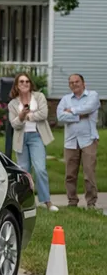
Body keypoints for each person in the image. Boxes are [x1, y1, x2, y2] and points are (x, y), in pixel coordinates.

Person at [8, 73, 57, 212]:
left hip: (37, 136)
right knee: (24, 171)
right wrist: (21, 116)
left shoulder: (39, 97)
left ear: (30, 84)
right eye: (21, 81)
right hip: (21, 138)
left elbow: (43, 114)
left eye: (27, 81)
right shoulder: (13, 104)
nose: (24, 84)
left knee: (40, 169)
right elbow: (15, 125)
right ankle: (26, 202)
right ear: (17, 85)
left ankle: (47, 202)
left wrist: (26, 115)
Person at [56, 74, 100, 209]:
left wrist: (71, 111)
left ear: (83, 83)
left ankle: (91, 203)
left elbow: (89, 108)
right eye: (71, 83)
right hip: (70, 142)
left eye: (77, 82)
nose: (74, 84)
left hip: (89, 140)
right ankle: (72, 202)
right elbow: (60, 116)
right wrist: (78, 116)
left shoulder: (93, 95)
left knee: (89, 173)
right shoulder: (65, 99)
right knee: (70, 174)